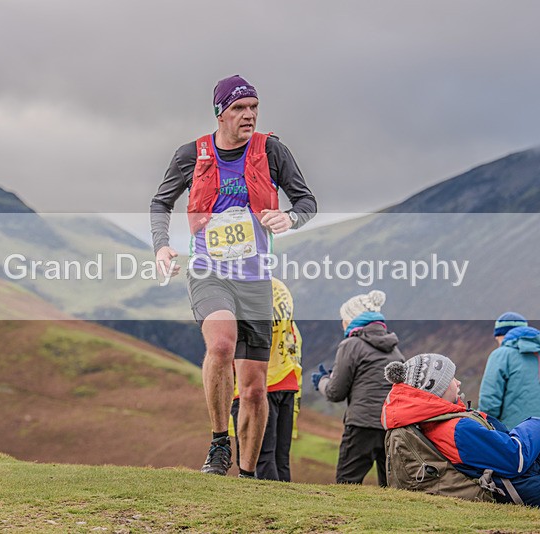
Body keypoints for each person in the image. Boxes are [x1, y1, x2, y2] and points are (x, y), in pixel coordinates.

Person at [150, 75, 317, 478]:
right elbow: (161, 201)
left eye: (254, 107)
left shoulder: (272, 151)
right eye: (240, 108)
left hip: (256, 276)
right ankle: (219, 443)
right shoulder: (192, 154)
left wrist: (289, 217)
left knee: (256, 387)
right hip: (209, 270)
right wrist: (161, 245)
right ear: (220, 112)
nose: (249, 115)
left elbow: (307, 201)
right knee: (222, 345)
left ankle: (245, 474)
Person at [382, 353, 540, 518]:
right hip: (537, 490)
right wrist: (538, 423)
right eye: (451, 378)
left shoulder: (433, 424)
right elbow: (514, 458)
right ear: (434, 389)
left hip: (524, 488)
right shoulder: (455, 428)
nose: (458, 382)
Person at [311, 290, 404, 486]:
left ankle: (342, 518)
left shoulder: (351, 345)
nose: (342, 324)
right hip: (391, 426)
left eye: (343, 319)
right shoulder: (395, 351)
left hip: (361, 426)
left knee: (347, 483)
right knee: (391, 488)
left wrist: (322, 381)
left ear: (352, 319)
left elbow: (335, 392)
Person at [230, 277, 302, 481]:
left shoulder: (239, 290)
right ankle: (286, 506)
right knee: (280, 458)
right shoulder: (280, 289)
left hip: (258, 381)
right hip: (287, 377)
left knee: (259, 457)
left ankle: (268, 507)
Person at [478, 312, 540, 433]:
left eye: (498, 338)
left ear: (502, 336)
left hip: (513, 441)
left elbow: (489, 405)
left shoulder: (501, 355)